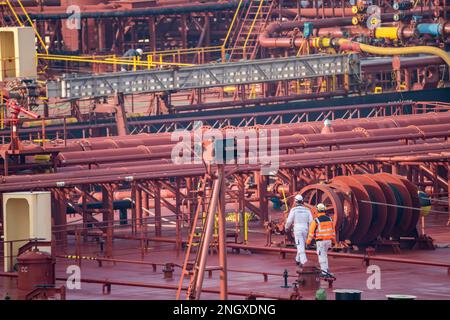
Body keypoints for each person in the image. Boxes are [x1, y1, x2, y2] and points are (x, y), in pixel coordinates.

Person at [306, 203, 336, 276]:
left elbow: (311, 233)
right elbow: (333, 231)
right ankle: (326, 270)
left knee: (321, 256)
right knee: (325, 255)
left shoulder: (316, 221)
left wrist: (308, 242)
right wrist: (334, 241)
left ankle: (323, 272)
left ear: (317, 210)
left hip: (321, 242)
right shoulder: (330, 219)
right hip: (328, 241)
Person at [285, 194, 313, 267]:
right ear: (302, 201)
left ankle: (304, 262)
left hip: (297, 229)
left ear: (295, 201)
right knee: (301, 245)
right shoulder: (307, 210)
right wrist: (310, 230)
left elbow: (289, 221)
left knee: (300, 246)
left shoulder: (294, 210)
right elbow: (311, 221)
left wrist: (286, 227)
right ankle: (297, 260)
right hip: (305, 229)